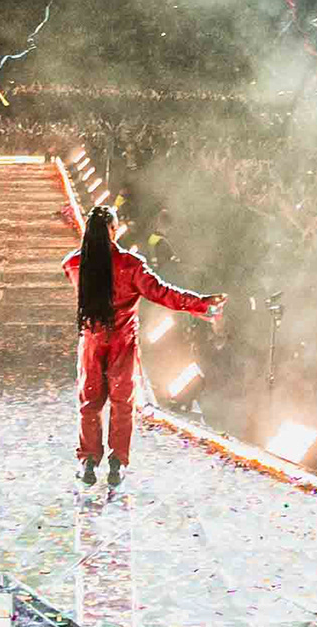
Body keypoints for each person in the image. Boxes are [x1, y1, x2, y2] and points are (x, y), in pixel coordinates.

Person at [62, 205, 219, 493]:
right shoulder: (130, 265)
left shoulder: (74, 264)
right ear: (113, 229)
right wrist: (199, 304)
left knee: (90, 402)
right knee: (122, 404)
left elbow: (80, 266)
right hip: (122, 342)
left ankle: (88, 461)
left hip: (91, 342)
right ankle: (117, 463)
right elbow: (162, 293)